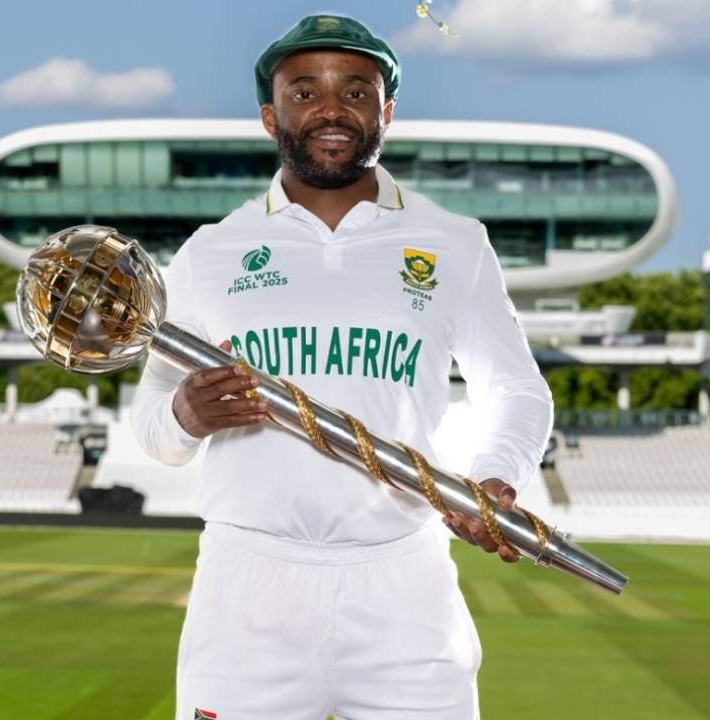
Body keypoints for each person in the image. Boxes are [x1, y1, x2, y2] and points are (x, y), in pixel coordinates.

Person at [131, 14, 553, 719]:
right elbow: (152, 422)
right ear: (271, 116)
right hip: (248, 588)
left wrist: (495, 476)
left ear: (386, 113)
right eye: (305, 92)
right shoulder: (211, 252)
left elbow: (516, 389)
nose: (331, 108)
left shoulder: (455, 243)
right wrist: (184, 414)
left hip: (405, 582)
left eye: (356, 91)